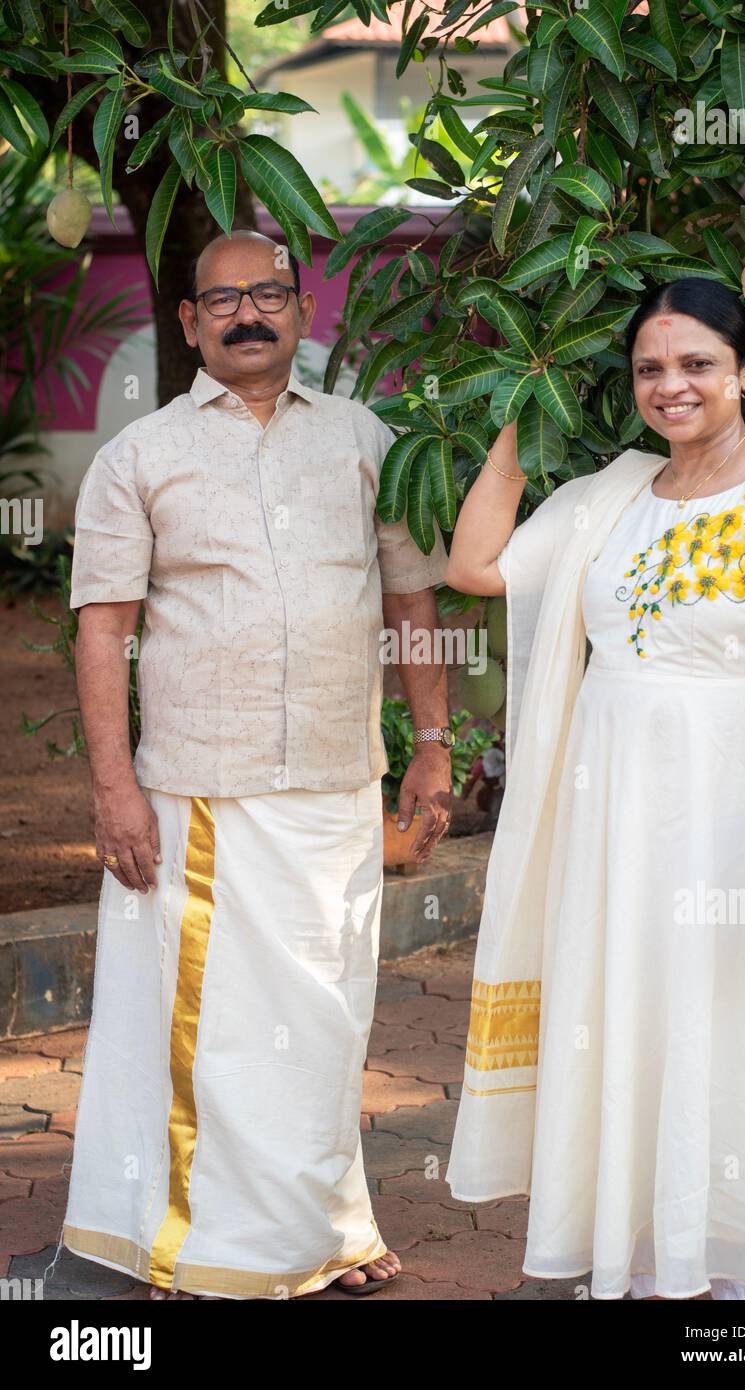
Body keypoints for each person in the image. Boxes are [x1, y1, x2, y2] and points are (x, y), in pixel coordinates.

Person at [443, 276, 745, 1300]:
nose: (671, 387)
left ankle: (740, 1278)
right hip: (612, 828)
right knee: (625, 1016)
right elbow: (475, 566)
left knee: (727, 1025)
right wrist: (518, 399)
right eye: (648, 368)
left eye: (696, 365)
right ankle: (641, 1260)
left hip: (730, 828)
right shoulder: (611, 495)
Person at [59, 229, 454, 1300]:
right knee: (218, 1029)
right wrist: (113, 788)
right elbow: (103, 631)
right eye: (222, 298)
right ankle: (203, 1246)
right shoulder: (139, 458)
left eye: (269, 293)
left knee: (329, 1015)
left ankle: (324, 1225)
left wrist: (428, 744)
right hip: (203, 787)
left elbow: (410, 597)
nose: (248, 313)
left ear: (301, 310)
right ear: (187, 323)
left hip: (337, 774)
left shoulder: (367, 438)